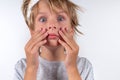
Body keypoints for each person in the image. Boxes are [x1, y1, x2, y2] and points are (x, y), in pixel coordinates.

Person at [14, 0, 94, 80]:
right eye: (43, 19)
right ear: (32, 31)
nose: (52, 25)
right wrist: (31, 68)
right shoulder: (22, 67)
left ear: (71, 30)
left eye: (60, 18)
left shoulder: (83, 66)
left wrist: (72, 67)